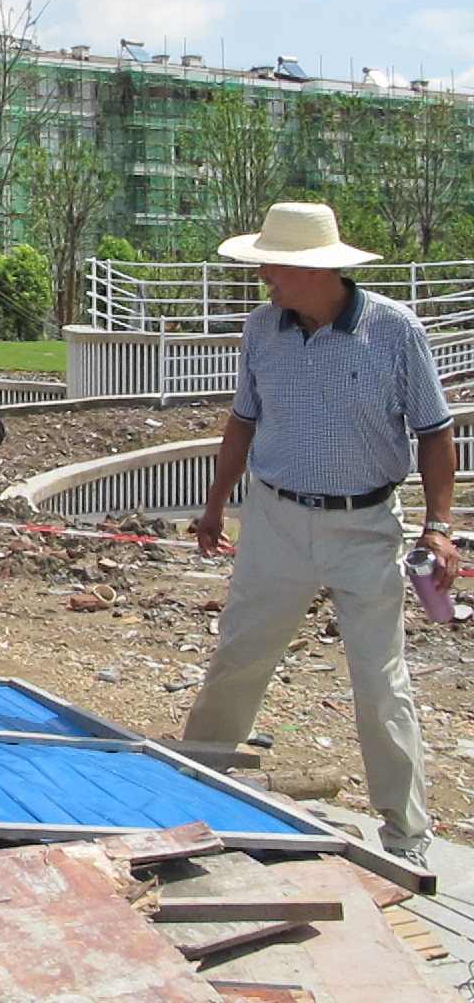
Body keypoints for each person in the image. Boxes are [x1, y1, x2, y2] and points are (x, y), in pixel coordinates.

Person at [181, 202, 457, 869]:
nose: (263, 278)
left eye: (272, 266)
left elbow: (435, 431)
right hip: (275, 518)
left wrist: (440, 527)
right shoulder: (262, 329)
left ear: (313, 270)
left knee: (381, 683)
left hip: (365, 526)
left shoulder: (395, 330)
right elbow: (243, 421)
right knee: (240, 657)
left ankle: (406, 837)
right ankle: (195, 791)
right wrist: (216, 506)